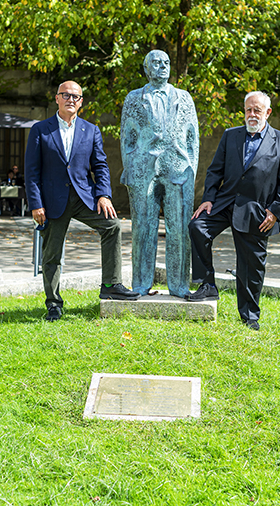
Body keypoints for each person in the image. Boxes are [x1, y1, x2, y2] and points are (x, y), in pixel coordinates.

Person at [25, 80, 140, 321]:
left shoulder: (91, 130)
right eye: (65, 95)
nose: (70, 99)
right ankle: (54, 304)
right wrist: (36, 203)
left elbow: (100, 165)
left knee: (112, 226)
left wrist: (104, 194)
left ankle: (110, 285)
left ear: (81, 102)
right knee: (51, 254)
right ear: (56, 98)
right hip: (52, 201)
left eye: (75, 96)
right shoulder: (40, 129)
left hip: (85, 197)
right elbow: (32, 171)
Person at [187, 91, 280, 330]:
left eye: (257, 110)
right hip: (225, 203)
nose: (252, 114)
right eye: (248, 109)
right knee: (198, 226)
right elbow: (215, 170)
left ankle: (250, 316)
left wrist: (275, 212)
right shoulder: (230, 135)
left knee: (251, 264)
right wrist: (208, 199)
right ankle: (207, 286)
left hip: (257, 210)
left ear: (267, 112)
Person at [120, 50, 199, 298]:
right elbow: (127, 138)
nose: (162, 67)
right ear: (146, 68)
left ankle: (179, 285)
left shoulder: (184, 98)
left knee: (179, 229)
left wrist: (191, 171)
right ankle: (141, 284)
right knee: (142, 227)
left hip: (178, 170)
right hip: (143, 170)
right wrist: (132, 167)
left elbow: (193, 139)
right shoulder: (133, 98)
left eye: (166, 63)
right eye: (156, 63)